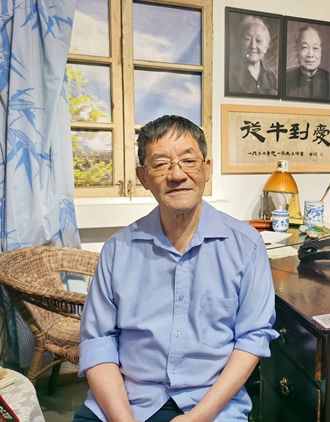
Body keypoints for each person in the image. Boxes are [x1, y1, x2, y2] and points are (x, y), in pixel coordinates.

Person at [75, 115, 279, 421]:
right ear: (143, 177)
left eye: (188, 160)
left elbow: (252, 337)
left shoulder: (246, 245)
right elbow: (97, 342)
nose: (177, 174)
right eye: (160, 164)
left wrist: (198, 417)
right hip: (128, 400)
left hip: (212, 404)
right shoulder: (117, 250)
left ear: (206, 169)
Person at [228, 15, 278, 95]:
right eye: (247, 39)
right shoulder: (231, 76)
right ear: (240, 44)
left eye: (259, 40)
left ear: (266, 47)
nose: (253, 46)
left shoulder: (272, 77)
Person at [285, 25, 330, 100]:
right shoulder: (285, 79)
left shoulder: (329, 80)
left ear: (320, 51)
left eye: (315, 48)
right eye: (305, 47)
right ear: (296, 49)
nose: (310, 55)